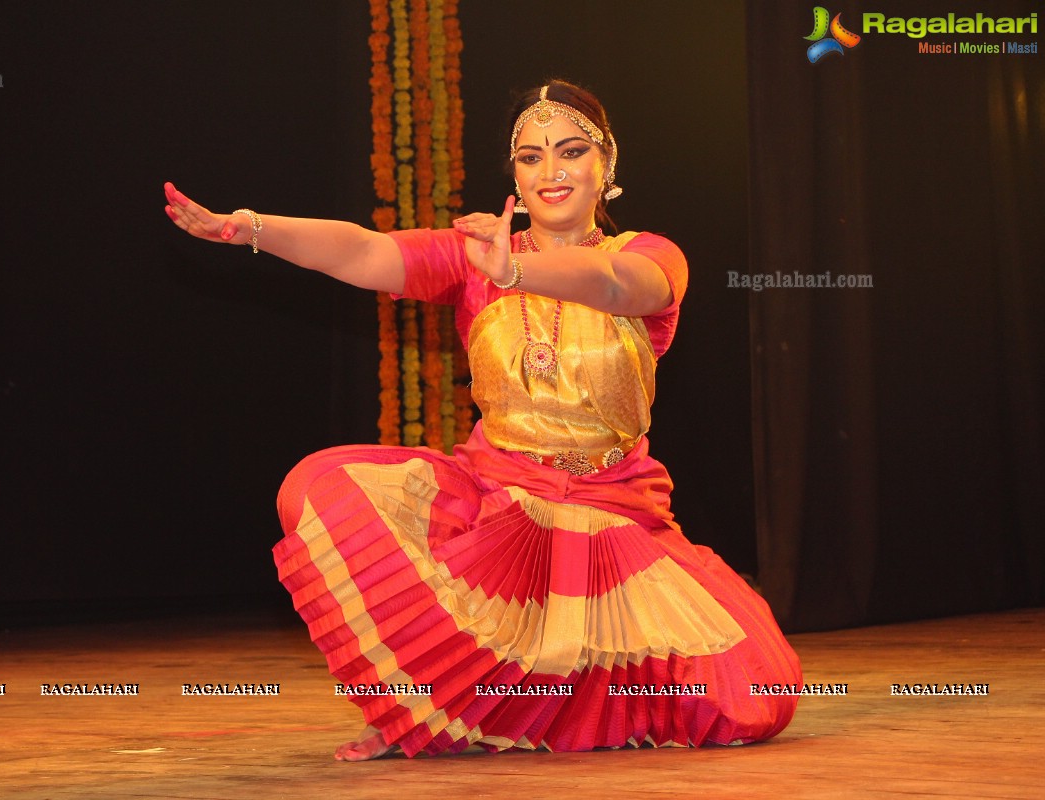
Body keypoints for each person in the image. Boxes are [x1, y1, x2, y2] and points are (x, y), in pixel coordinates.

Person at [163, 79, 802, 762]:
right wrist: (252, 228)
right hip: (496, 502)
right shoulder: (474, 255)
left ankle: (533, 714)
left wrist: (521, 273)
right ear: (516, 176)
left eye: (570, 151)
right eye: (530, 158)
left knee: (755, 695)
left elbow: (617, 289)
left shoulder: (649, 255)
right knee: (320, 489)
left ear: (605, 165)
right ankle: (422, 710)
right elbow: (363, 251)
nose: (550, 172)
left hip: (618, 512)